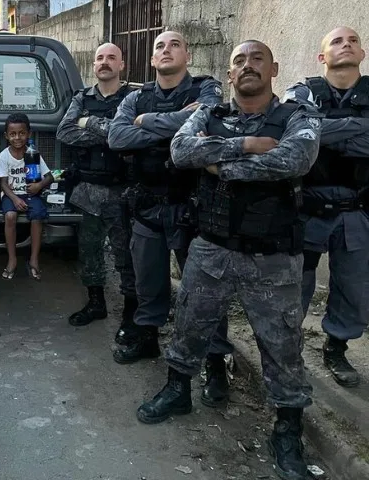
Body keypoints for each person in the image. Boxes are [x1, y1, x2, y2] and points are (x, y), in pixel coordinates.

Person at [137, 40, 320, 480]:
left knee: (282, 348)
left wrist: (220, 163)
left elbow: (295, 159)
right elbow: (181, 152)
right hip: (211, 248)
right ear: (230, 73)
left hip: (273, 258)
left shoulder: (298, 116)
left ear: (274, 67)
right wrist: (251, 145)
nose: (248, 66)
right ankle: (178, 390)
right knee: (189, 326)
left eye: (257, 58)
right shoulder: (211, 113)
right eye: (239, 61)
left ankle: (287, 431)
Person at [108, 32, 232, 405]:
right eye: (159, 46)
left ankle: (214, 362)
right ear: (151, 60)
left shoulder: (207, 88)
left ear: (188, 54)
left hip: (192, 206)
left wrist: (146, 124)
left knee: (204, 293)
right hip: (147, 205)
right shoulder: (134, 97)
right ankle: (148, 339)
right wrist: (176, 126)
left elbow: (204, 123)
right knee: (149, 282)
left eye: (174, 45)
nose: (166, 50)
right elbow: (116, 137)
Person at [283, 26, 369, 388]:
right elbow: (294, 132)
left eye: (353, 41)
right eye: (336, 41)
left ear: (362, 55)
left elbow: (314, 135)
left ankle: (336, 348)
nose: (345, 45)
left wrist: (324, 134)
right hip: (309, 208)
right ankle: (288, 348)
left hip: (357, 210)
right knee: (295, 284)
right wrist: (358, 130)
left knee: (353, 285)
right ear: (322, 57)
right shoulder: (302, 92)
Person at [57, 43, 137, 327]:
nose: (105, 62)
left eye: (111, 57)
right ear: (93, 65)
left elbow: (132, 136)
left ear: (121, 65)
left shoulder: (134, 97)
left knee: (125, 254)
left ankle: (131, 313)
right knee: (89, 250)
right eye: (100, 58)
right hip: (87, 189)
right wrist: (111, 133)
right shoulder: (81, 98)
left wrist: (88, 122)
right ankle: (96, 303)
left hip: (122, 190)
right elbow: (65, 132)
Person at [0, 113, 54, 280]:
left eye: (21, 133)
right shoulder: (4, 157)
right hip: (11, 194)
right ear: (7, 136)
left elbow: (49, 177)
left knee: (37, 217)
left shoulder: (32, 154)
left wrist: (38, 186)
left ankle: (34, 258)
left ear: (28, 133)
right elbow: (3, 184)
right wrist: (14, 198)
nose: (17, 138)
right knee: (10, 216)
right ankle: (12, 259)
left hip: (31, 193)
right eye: (13, 134)